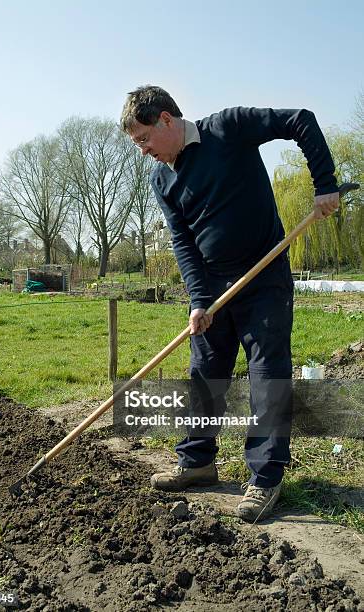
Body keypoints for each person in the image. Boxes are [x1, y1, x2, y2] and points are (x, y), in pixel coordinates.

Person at [120, 85, 339, 522]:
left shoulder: (229, 128)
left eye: (144, 139)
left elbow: (300, 119)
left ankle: (265, 476)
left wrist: (325, 184)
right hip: (215, 288)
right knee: (205, 372)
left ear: (166, 119)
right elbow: (182, 243)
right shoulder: (162, 179)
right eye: (137, 144)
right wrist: (199, 301)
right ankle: (198, 461)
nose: (144, 151)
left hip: (264, 275)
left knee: (265, 374)